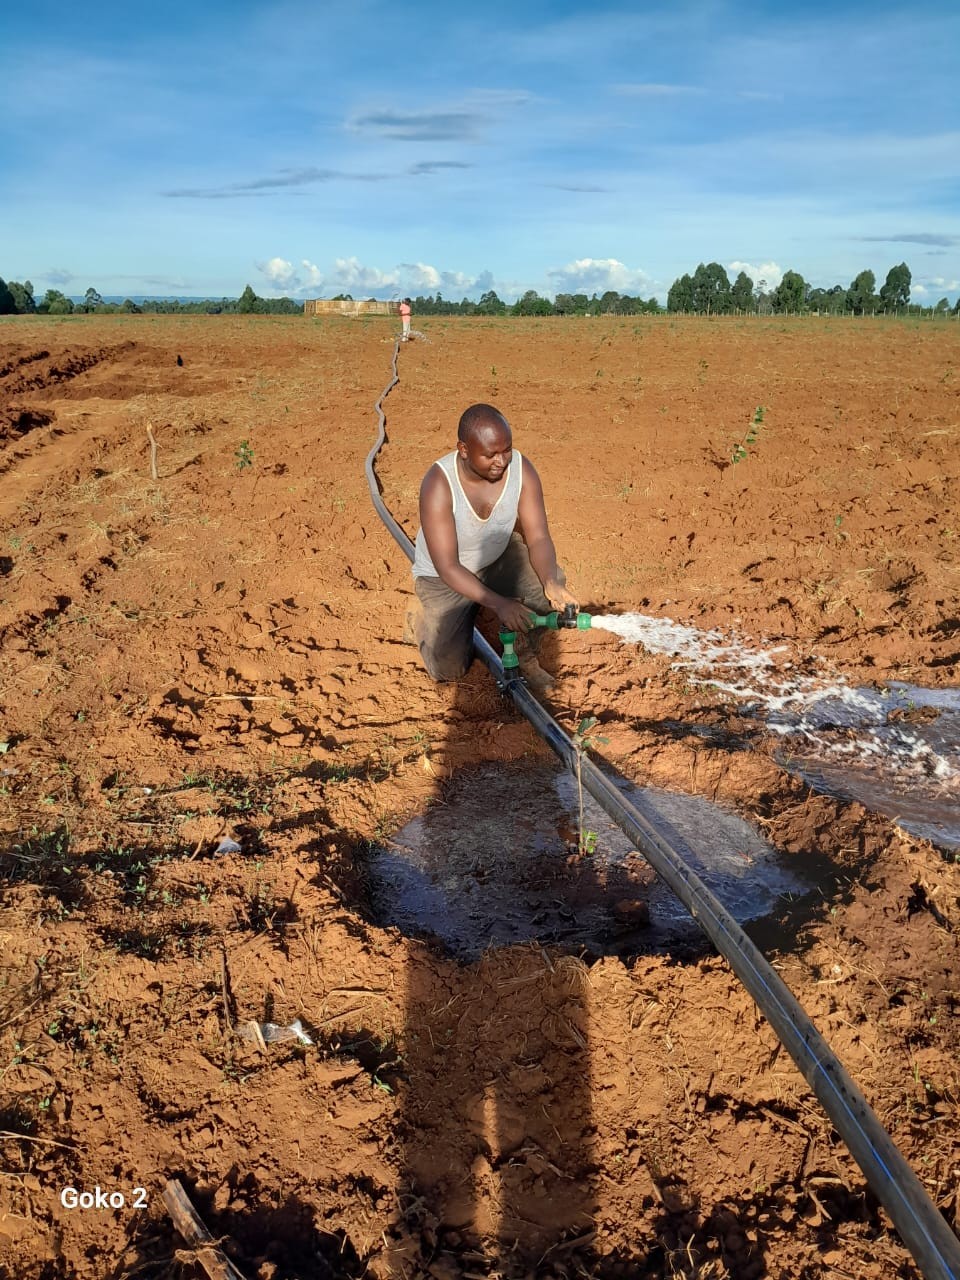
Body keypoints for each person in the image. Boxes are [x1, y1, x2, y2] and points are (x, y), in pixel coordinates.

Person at [407, 403, 578, 687]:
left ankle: (526, 656)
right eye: (490, 455)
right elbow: (448, 567)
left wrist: (550, 580)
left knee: (546, 587)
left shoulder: (521, 471)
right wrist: (499, 603)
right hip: (444, 576)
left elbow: (537, 537)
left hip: (496, 556)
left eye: (506, 450)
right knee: (448, 668)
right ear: (463, 449)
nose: (501, 461)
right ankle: (419, 618)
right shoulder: (439, 484)